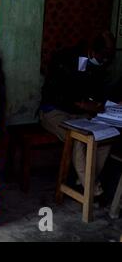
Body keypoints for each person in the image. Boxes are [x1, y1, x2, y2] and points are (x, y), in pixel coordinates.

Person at [40, 31, 116, 197]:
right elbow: (56, 94)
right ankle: (92, 189)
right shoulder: (65, 59)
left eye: (107, 58)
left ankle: (85, 181)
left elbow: (98, 92)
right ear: (92, 49)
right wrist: (81, 103)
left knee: (104, 138)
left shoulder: (100, 66)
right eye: (102, 56)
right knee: (77, 139)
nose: (104, 60)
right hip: (54, 112)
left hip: (80, 114)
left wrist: (97, 104)